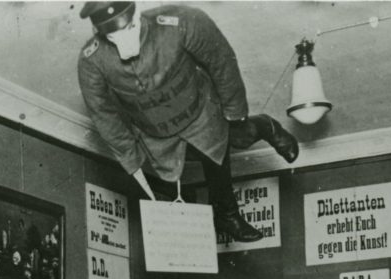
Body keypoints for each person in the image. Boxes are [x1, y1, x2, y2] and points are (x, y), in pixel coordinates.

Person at [77, 2, 298, 243]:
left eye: (128, 28)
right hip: (159, 135)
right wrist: (130, 157)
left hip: (201, 112)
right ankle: (227, 211)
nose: (124, 44)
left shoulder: (180, 22)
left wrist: (235, 111)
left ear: (136, 15)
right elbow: (103, 114)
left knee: (232, 142)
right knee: (195, 160)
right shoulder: (92, 61)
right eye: (112, 36)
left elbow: (221, 60)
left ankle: (231, 206)